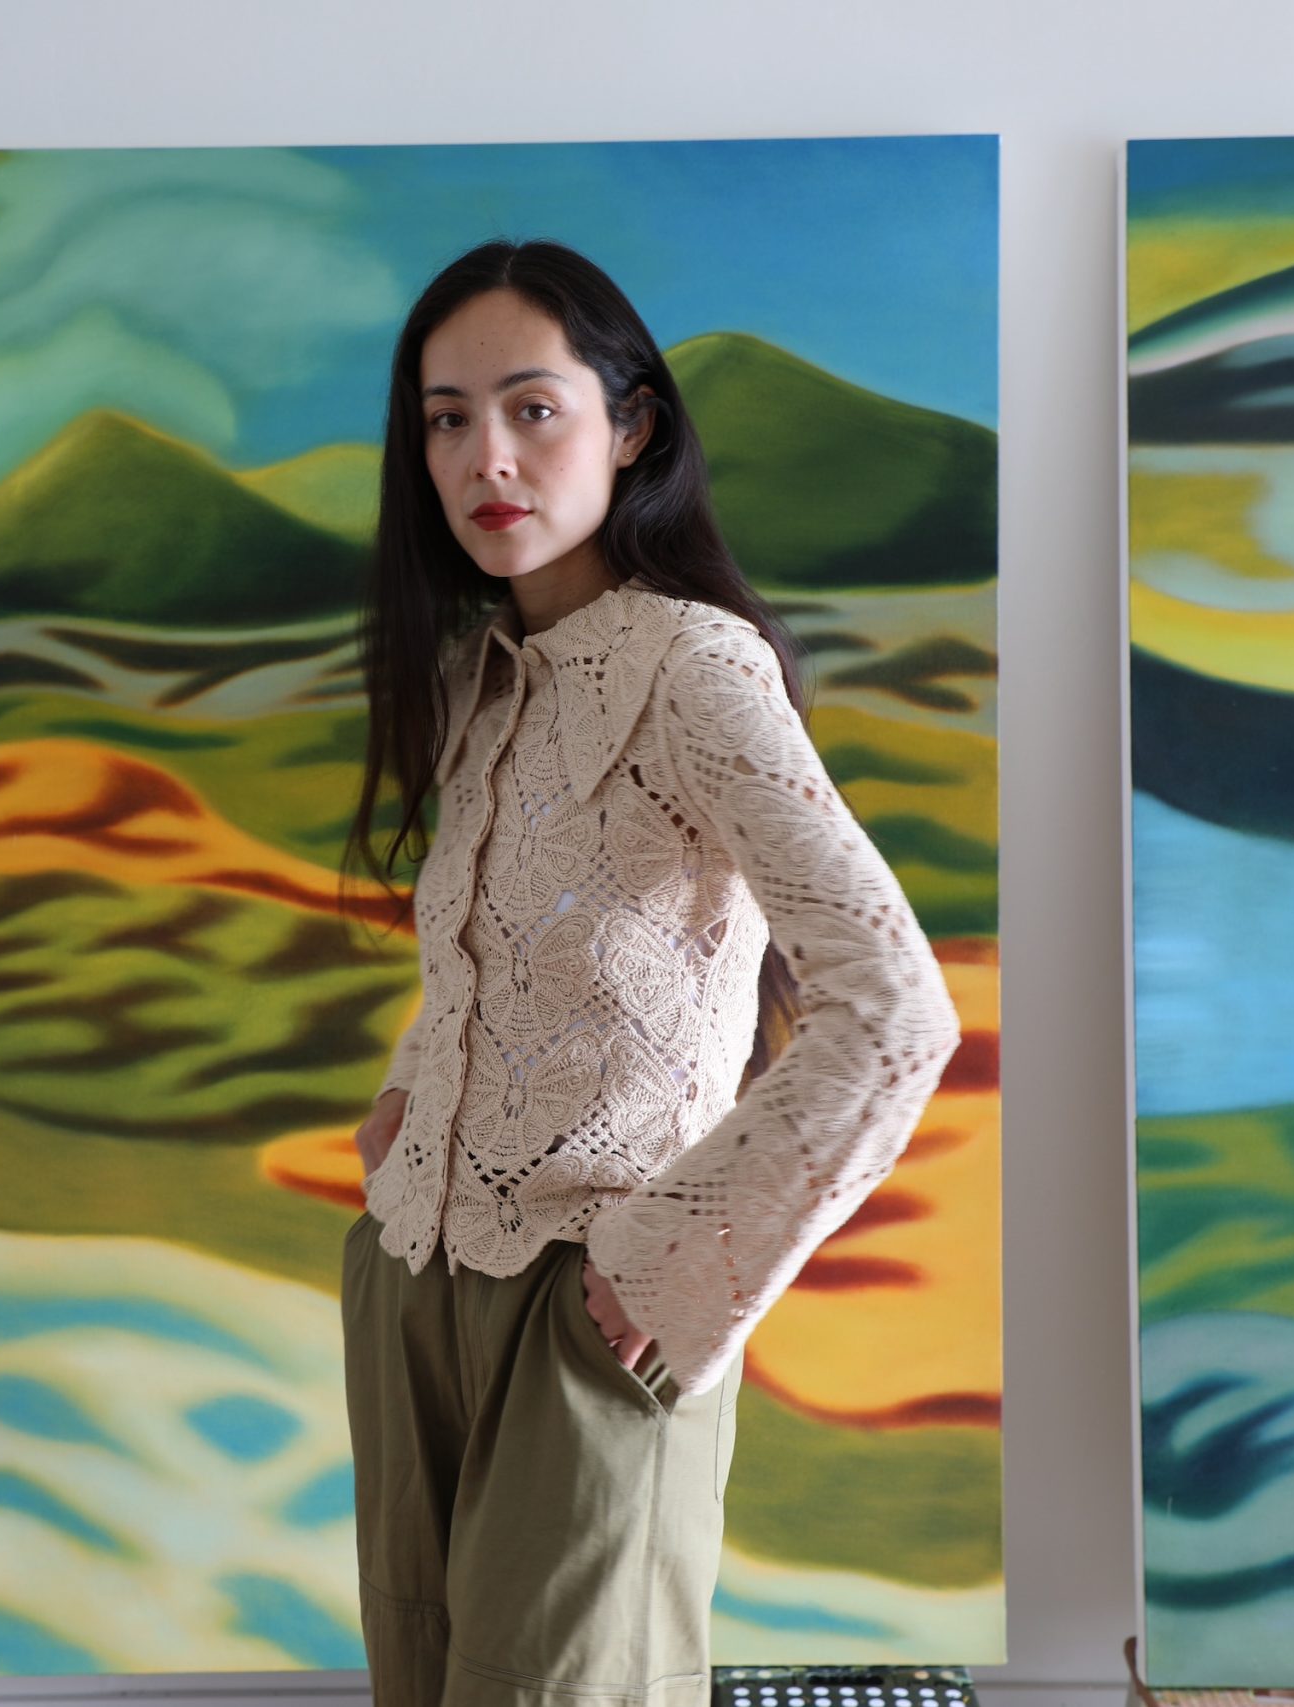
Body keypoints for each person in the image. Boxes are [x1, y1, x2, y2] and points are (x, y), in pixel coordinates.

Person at [336, 237, 961, 1707]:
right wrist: (406, 1112)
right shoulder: (485, 676)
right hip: (413, 1283)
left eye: (531, 407)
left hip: (594, 1308)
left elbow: (895, 1009)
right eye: (444, 416)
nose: (485, 454)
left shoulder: (692, 666)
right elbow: (492, 965)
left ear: (632, 427)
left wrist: (682, 1261)